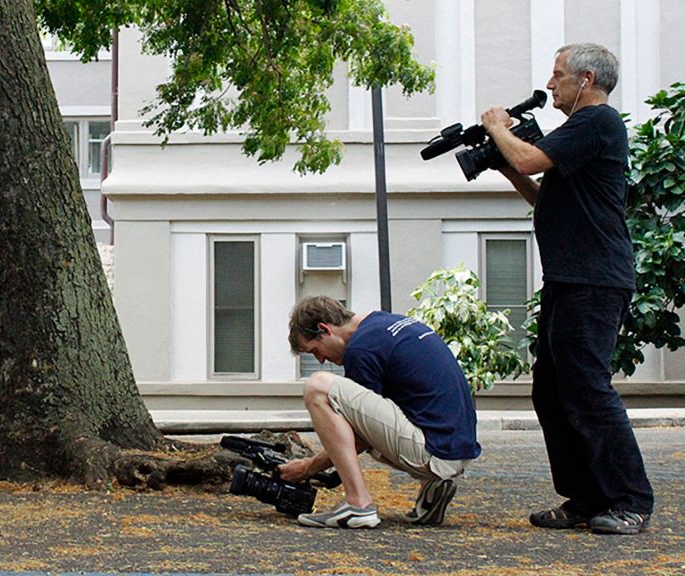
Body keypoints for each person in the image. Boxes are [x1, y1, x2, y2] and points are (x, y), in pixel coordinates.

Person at [480, 43, 654, 535]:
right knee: (552, 391)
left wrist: (497, 127)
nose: (550, 84)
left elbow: (531, 160)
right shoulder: (580, 133)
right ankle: (586, 497)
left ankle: (631, 500)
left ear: (586, 79)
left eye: (558, 75)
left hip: (594, 279)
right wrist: (505, 165)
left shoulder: (597, 120)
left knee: (588, 389)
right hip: (567, 279)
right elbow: (544, 197)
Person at [278, 296, 480, 529]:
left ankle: (358, 505)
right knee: (402, 403)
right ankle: (432, 490)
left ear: (324, 329)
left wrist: (308, 468)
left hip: (434, 453)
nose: (321, 360)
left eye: (315, 350)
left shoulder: (361, 349)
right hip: (456, 449)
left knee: (318, 387)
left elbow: (359, 437)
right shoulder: (385, 324)